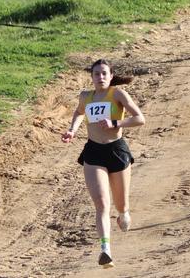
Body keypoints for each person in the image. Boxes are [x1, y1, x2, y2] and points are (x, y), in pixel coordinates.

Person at [61, 59, 145, 268]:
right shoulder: (86, 97)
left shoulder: (117, 94)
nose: (100, 77)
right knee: (101, 203)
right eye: (96, 74)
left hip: (116, 150)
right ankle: (105, 249)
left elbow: (139, 118)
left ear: (111, 75)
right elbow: (79, 112)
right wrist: (72, 130)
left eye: (104, 73)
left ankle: (124, 213)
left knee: (121, 207)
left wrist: (116, 123)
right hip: (94, 152)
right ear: (92, 77)